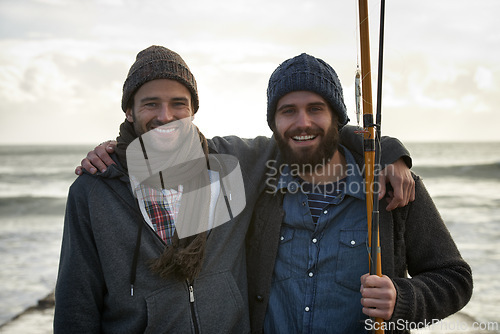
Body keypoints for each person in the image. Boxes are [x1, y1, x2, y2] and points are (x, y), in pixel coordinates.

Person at [63, 46, 415, 333]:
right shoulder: (95, 190)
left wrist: (388, 151)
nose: (165, 115)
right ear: (129, 111)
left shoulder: (231, 161)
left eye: (178, 103)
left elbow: (308, 133)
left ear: (193, 110)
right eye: (151, 103)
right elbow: (76, 304)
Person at [245, 53, 473, 333]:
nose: (302, 122)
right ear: (274, 123)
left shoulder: (394, 189)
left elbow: (455, 279)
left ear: (336, 119)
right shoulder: (257, 187)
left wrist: (401, 299)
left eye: (316, 109)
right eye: (288, 110)